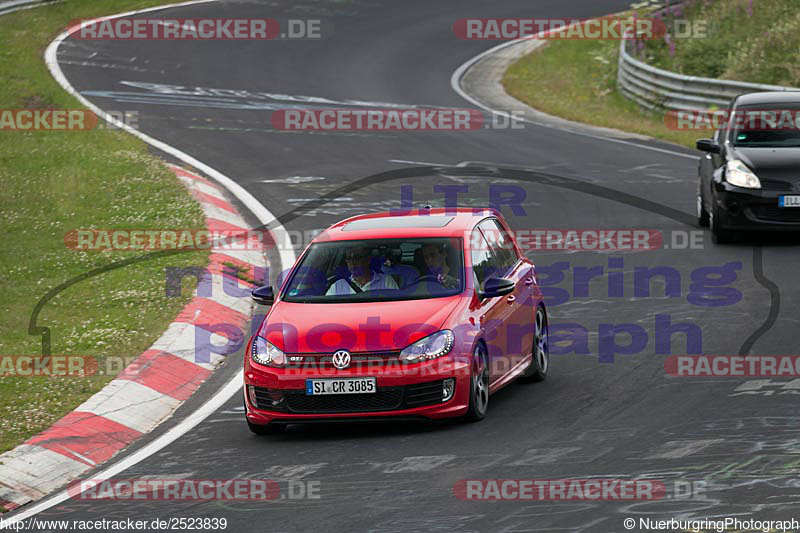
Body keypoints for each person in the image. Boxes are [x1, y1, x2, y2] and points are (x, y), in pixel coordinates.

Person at [326, 246, 398, 295]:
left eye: (357, 258)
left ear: (368, 259)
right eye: (348, 258)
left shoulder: (386, 281)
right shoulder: (338, 286)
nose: (353, 262)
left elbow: (396, 306)